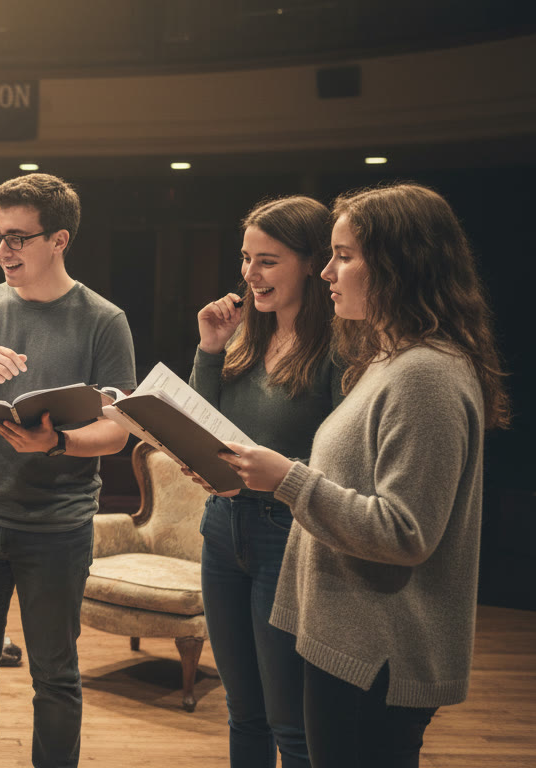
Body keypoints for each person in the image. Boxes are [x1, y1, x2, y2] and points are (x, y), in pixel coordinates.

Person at [218, 183, 510, 767]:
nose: (328, 272)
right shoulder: (389, 360)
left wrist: (287, 479)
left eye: (344, 255)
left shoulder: (425, 374)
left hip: (379, 652)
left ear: (400, 264)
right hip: (347, 640)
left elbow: (406, 531)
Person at [0, 173, 136, 768]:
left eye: (18, 238)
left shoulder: (103, 320)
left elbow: (117, 431)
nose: (4, 250)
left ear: (59, 240)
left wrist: (56, 442)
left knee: (55, 675)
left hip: (56, 526)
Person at [187, 196, 342, 768]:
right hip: (223, 530)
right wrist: (207, 349)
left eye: (268, 260)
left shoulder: (340, 351)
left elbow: (344, 459)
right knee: (242, 712)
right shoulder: (242, 338)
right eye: (246, 258)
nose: (250, 274)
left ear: (311, 262)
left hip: (290, 535)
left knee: (289, 722)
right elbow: (201, 427)